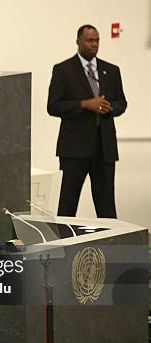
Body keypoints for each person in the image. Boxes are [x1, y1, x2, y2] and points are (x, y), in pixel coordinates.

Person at [47, 24, 127, 218]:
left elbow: (121, 103)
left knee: (107, 206)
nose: (94, 44)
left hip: (104, 149)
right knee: (68, 204)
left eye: (97, 40)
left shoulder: (111, 70)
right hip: (74, 149)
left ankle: (110, 247)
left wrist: (109, 108)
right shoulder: (63, 70)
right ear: (78, 41)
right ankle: (63, 246)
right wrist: (84, 104)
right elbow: (53, 106)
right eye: (90, 40)